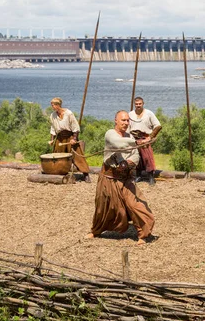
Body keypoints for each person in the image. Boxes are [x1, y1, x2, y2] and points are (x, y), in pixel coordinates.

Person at [87, 110, 155, 245]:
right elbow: (118, 143)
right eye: (123, 120)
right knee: (103, 207)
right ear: (116, 120)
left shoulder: (129, 136)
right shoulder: (110, 134)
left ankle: (143, 234)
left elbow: (135, 155)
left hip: (125, 178)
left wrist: (128, 163)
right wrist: (138, 142)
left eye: (127, 120)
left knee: (135, 205)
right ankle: (96, 230)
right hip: (108, 178)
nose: (125, 123)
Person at [48, 97, 91, 183]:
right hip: (59, 138)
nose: (52, 107)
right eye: (51, 105)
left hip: (70, 136)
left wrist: (74, 139)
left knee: (77, 156)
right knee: (57, 156)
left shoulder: (68, 113)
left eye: (53, 105)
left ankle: (86, 174)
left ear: (58, 105)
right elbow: (53, 128)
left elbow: (75, 127)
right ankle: (59, 172)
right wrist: (52, 140)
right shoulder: (52, 115)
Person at [128, 97, 162, 185]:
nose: (138, 105)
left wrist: (149, 138)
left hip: (145, 139)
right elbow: (128, 128)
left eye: (140, 104)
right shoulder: (130, 114)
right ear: (134, 104)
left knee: (147, 158)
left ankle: (151, 177)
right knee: (136, 157)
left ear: (143, 104)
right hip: (134, 139)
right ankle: (138, 175)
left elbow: (158, 126)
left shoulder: (149, 113)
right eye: (136, 104)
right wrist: (129, 140)